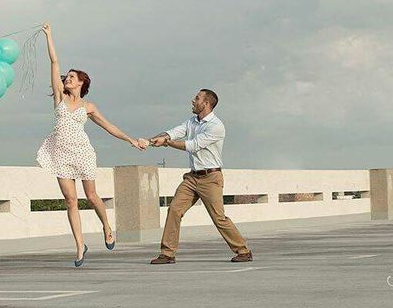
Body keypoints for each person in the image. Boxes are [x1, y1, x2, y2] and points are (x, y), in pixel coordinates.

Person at [36, 22, 147, 267]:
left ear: (81, 84)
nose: (68, 79)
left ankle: (107, 226)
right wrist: (49, 36)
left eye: (72, 78)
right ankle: (79, 246)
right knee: (70, 200)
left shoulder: (89, 107)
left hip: (83, 152)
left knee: (92, 196)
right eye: (68, 77)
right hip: (60, 153)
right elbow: (54, 63)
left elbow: (109, 127)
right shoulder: (59, 97)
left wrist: (130, 139)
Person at [147, 89, 252, 264]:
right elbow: (174, 132)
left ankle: (243, 251)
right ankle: (167, 253)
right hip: (192, 178)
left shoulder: (216, 126)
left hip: (211, 178)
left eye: (197, 98)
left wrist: (167, 143)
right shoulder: (192, 122)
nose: (192, 100)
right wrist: (151, 141)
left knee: (218, 217)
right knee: (174, 210)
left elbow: (193, 145)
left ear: (206, 103)